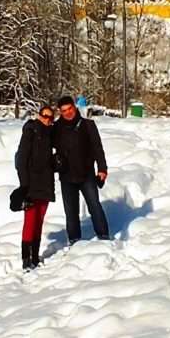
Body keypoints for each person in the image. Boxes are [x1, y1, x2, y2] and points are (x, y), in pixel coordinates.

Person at [53, 94, 110, 243]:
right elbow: (43, 146)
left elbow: (98, 148)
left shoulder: (87, 125)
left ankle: (104, 236)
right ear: (60, 112)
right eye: (64, 110)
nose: (68, 112)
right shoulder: (55, 129)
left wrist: (102, 168)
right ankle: (74, 240)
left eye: (70, 108)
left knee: (95, 207)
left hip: (87, 175)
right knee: (71, 212)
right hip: (66, 177)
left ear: (75, 107)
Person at [15, 104, 58, 270]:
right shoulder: (31, 131)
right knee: (30, 221)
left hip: (46, 184)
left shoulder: (50, 134)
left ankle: (34, 256)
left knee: (39, 221)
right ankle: (26, 259)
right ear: (39, 115)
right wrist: (24, 186)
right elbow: (21, 160)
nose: (47, 119)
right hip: (31, 184)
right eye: (44, 116)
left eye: (50, 117)